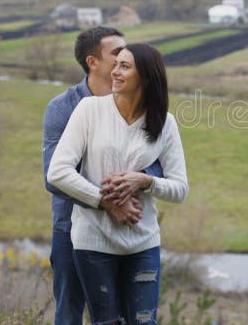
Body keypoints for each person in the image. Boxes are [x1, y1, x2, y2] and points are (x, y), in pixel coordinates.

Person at [48, 43, 188, 325]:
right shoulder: (89, 110)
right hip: (93, 241)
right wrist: (105, 201)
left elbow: (180, 188)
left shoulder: (165, 123)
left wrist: (146, 180)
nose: (115, 72)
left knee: (144, 322)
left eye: (125, 66)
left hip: (144, 242)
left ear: (146, 77)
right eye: (116, 64)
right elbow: (58, 172)